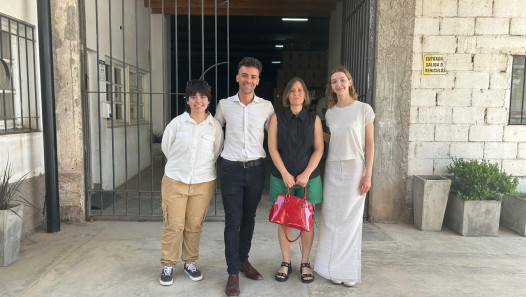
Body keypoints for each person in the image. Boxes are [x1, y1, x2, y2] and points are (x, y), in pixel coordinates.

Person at [215, 57, 274, 296]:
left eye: (253, 76)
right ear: (237, 77)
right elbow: (213, 131)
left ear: (258, 81)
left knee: (249, 218)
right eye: (244, 75)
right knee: (233, 221)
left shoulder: (266, 107)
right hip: (231, 169)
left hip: (257, 169)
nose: (248, 80)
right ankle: (231, 272)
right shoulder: (224, 104)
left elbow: (275, 137)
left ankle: (243, 260)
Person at [314, 66, 375, 287]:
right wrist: (316, 133)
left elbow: (369, 144)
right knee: (330, 219)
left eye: (341, 80)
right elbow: (335, 139)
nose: (338, 84)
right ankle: (327, 267)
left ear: (349, 82)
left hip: (355, 169)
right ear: (330, 87)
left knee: (350, 221)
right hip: (332, 167)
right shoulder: (330, 112)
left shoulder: (363, 109)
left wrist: (368, 174)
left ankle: (346, 272)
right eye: (333, 81)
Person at [159, 79, 224, 286]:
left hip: (203, 182)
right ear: (187, 100)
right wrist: (183, 167)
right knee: (173, 224)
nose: (198, 101)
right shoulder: (177, 124)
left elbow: (216, 152)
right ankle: (168, 263)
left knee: (194, 224)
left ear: (209, 100)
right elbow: (167, 148)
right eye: (194, 97)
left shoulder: (214, 127)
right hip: (175, 179)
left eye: (203, 97)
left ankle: (190, 262)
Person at [267, 77, 324, 283]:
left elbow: (319, 149)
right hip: (282, 176)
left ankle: (305, 263)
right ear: (287, 95)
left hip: (308, 178)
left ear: (305, 95)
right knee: (284, 219)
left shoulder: (314, 120)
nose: (296, 93)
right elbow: (272, 148)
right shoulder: (276, 118)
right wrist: (284, 173)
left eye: (300, 90)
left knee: (306, 221)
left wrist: (307, 173)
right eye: (292, 90)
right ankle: (286, 261)